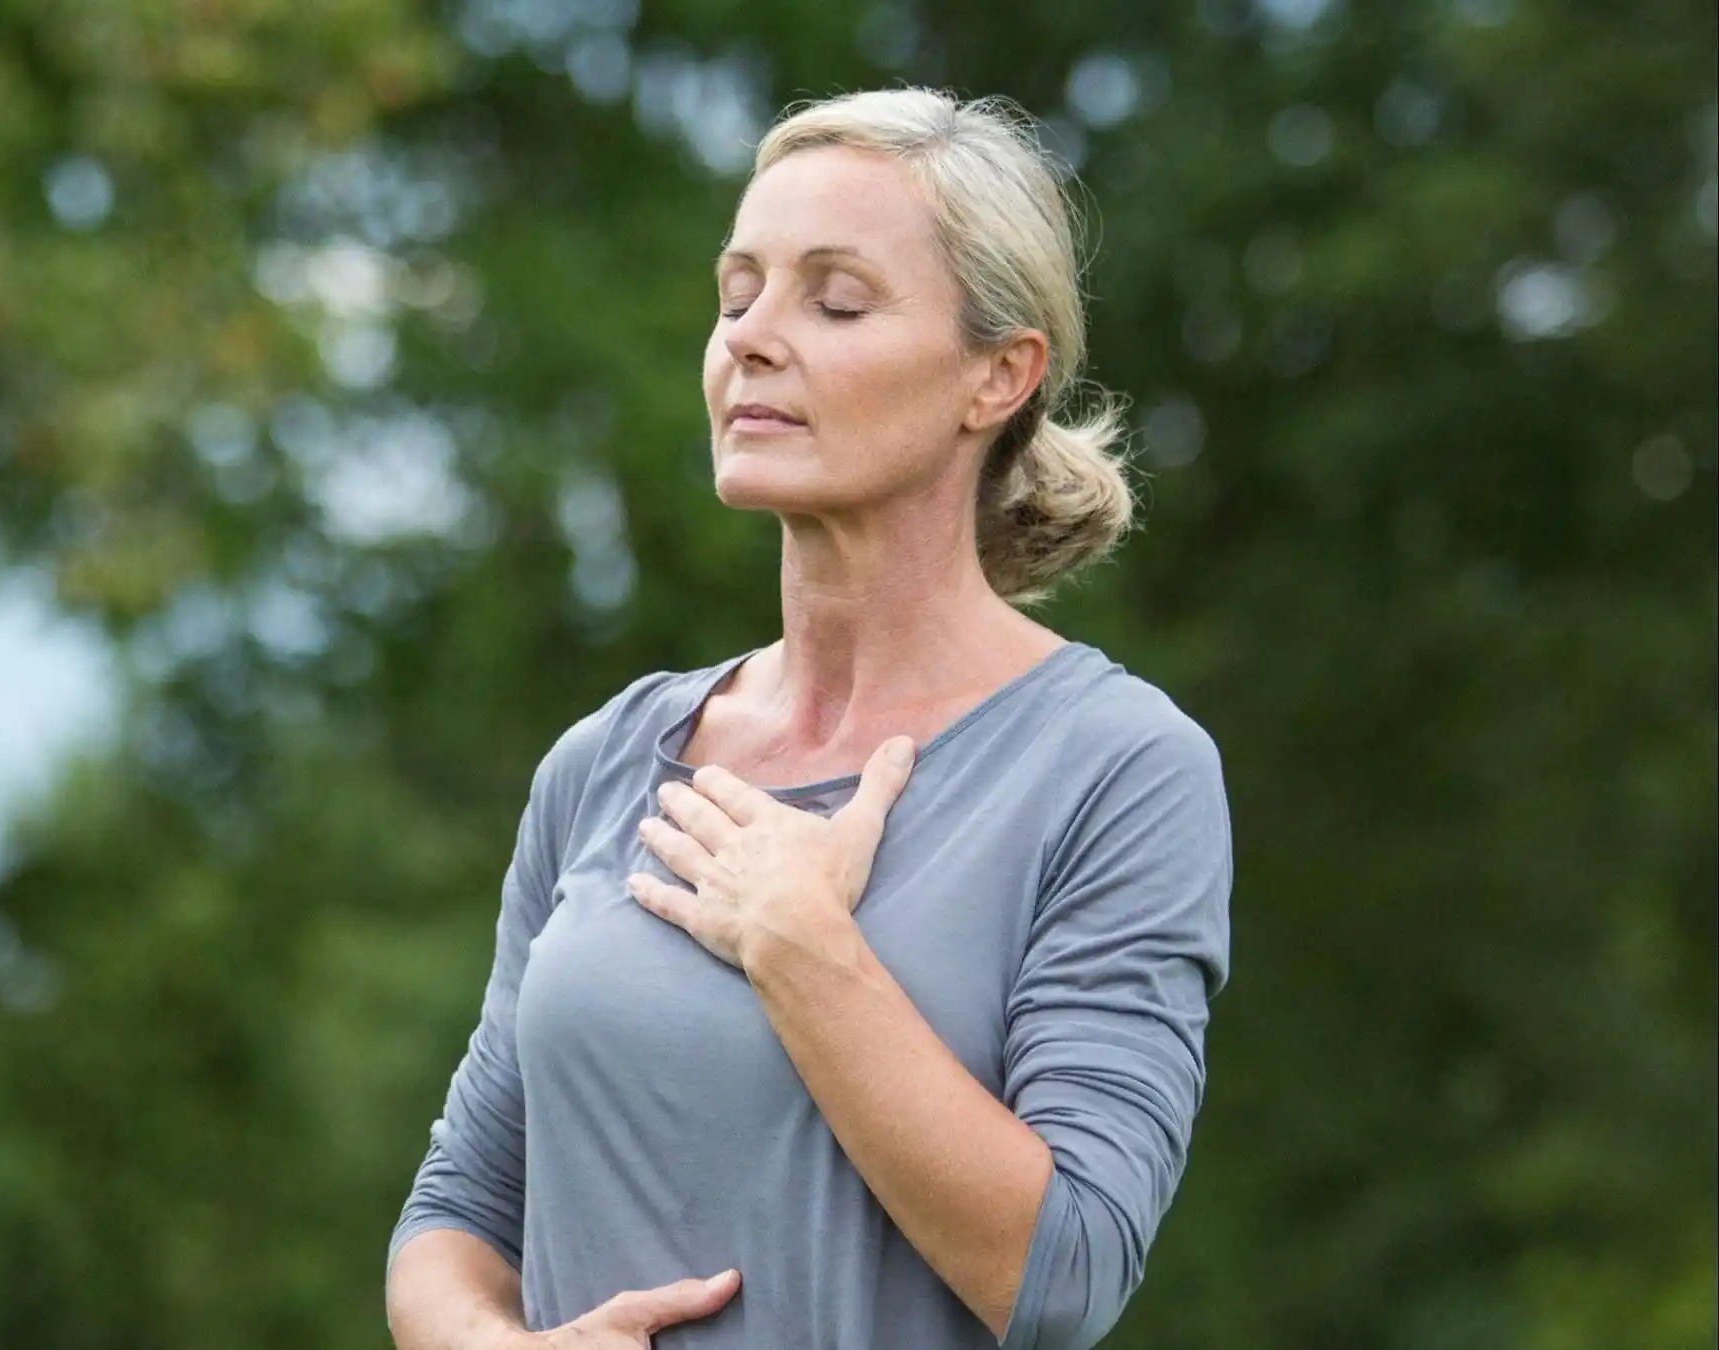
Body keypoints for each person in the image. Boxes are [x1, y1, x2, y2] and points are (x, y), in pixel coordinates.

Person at [385, 87, 1232, 1350]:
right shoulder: (606, 762)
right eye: (737, 295)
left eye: (834, 300)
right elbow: (458, 1209)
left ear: (997, 375)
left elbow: (1063, 1279)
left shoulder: (1115, 769)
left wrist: (802, 949)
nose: (751, 340)